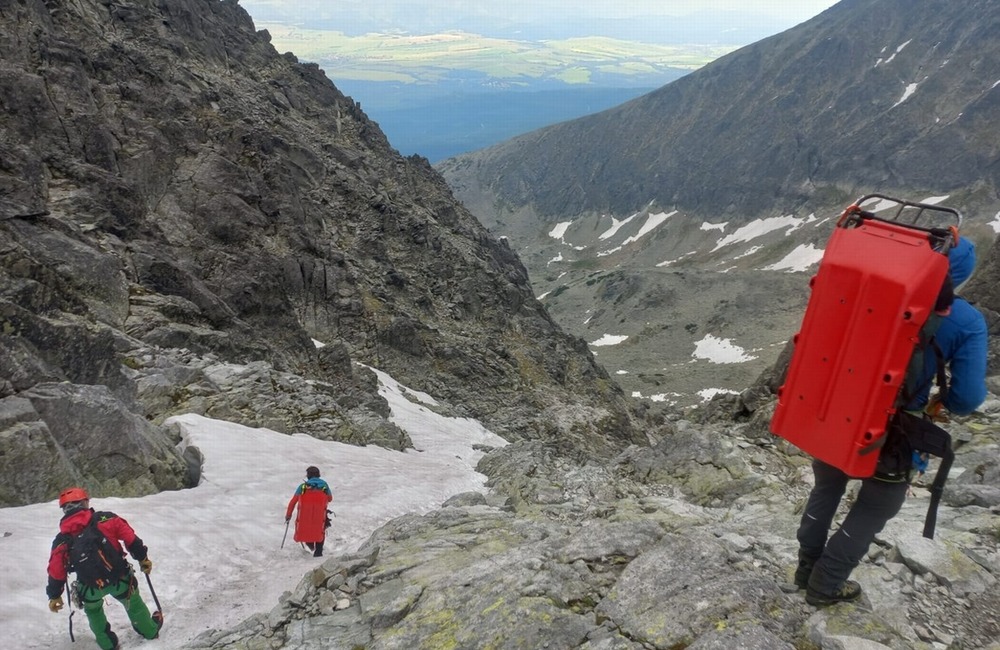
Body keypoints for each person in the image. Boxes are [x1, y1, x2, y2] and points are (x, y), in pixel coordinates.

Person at [794, 235, 988, 607]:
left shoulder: (871, 291)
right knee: (878, 504)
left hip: (837, 411)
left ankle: (805, 570)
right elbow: (966, 399)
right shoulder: (965, 321)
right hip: (893, 434)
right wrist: (938, 398)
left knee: (827, 487)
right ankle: (825, 584)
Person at [46, 487, 162, 650]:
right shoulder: (105, 519)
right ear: (85, 502)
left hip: (89, 587)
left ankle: (107, 644)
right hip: (119, 579)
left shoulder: (61, 540)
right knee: (134, 603)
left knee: (94, 613)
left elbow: (56, 570)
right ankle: (149, 630)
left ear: (64, 510)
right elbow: (131, 540)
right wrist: (143, 559)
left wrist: (54, 596)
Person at [285, 466, 333, 557]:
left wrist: (288, 515)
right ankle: (318, 552)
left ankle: (310, 545)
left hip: (305, 514)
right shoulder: (324, 485)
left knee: (307, 530)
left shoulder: (303, 487)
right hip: (319, 514)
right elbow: (330, 498)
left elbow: (293, 502)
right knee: (320, 530)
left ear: (308, 475)